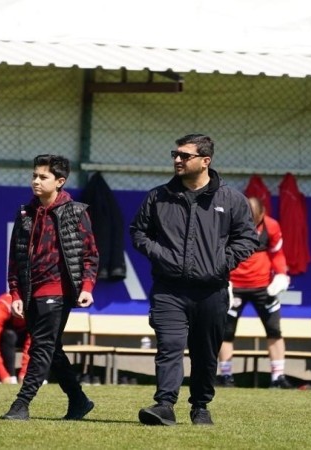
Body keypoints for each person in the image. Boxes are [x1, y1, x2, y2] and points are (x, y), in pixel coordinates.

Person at [130, 134, 258, 426]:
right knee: (169, 345)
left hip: (212, 290)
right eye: (175, 154)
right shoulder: (158, 196)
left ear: (205, 161)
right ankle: (164, 405)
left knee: (205, 353)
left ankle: (200, 406)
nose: (177, 159)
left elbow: (248, 238)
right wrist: (162, 255)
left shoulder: (232, 199)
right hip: (169, 289)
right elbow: (138, 232)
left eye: (185, 156)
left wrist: (221, 262)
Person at [2, 154, 99, 421]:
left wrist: (87, 287)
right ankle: (79, 400)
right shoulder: (25, 213)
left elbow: (90, 254)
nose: (36, 181)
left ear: (60, 181)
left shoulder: (76, 212)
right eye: (34, 175)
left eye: (43, 177)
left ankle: (21, 404)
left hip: (58, 290)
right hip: (30, 292)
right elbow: (15, 258)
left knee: (41, 346)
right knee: (52, 349)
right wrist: (16, 292)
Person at [218, 197, 293, 389]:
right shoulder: (228, 224)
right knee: (226, 331)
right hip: (234, 286)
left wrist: (281, 275)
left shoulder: (271, 226)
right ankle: (225, 376)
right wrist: (223, 279)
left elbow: (277, 253)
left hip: (264, 287)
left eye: (255, 219)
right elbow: (218, 254)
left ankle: (278, 377)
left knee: (274, 329)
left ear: (263, 213)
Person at [0, 292, 33, 384]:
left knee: (44, 340)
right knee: (9, 335)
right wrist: (3, 375)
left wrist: (24, 373)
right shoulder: (2, 307)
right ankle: (11, 376)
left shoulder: (34, 308)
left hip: (22, 336)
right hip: (3, 338)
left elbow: (32, 342)